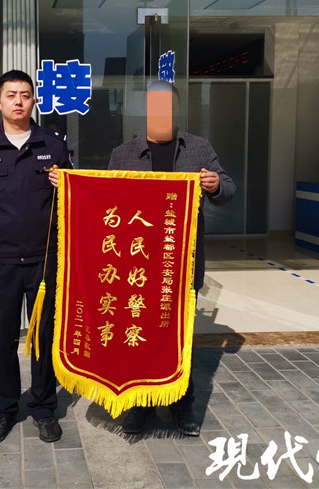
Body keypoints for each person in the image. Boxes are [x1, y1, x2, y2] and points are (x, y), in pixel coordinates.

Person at [107, 79, 235, 436]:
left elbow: (228, 188)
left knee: (180, 337)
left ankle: (181, 403)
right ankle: (141, 403)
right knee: (139, 335)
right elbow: (107, 202)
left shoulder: (199, 148)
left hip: (181, 264)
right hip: (137, 265)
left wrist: (215, 185)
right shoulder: (123, 154)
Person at [0, 69, 73, 444]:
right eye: (11, 95)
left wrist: (66, 186)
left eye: (25, 95)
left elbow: (76, 203)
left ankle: (44, 409)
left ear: (34, 101)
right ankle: (4, 410)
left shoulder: (54, 147)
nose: (18, 101)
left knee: (44, 338)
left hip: (46, 262)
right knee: (3, 340)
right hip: (3, 263)